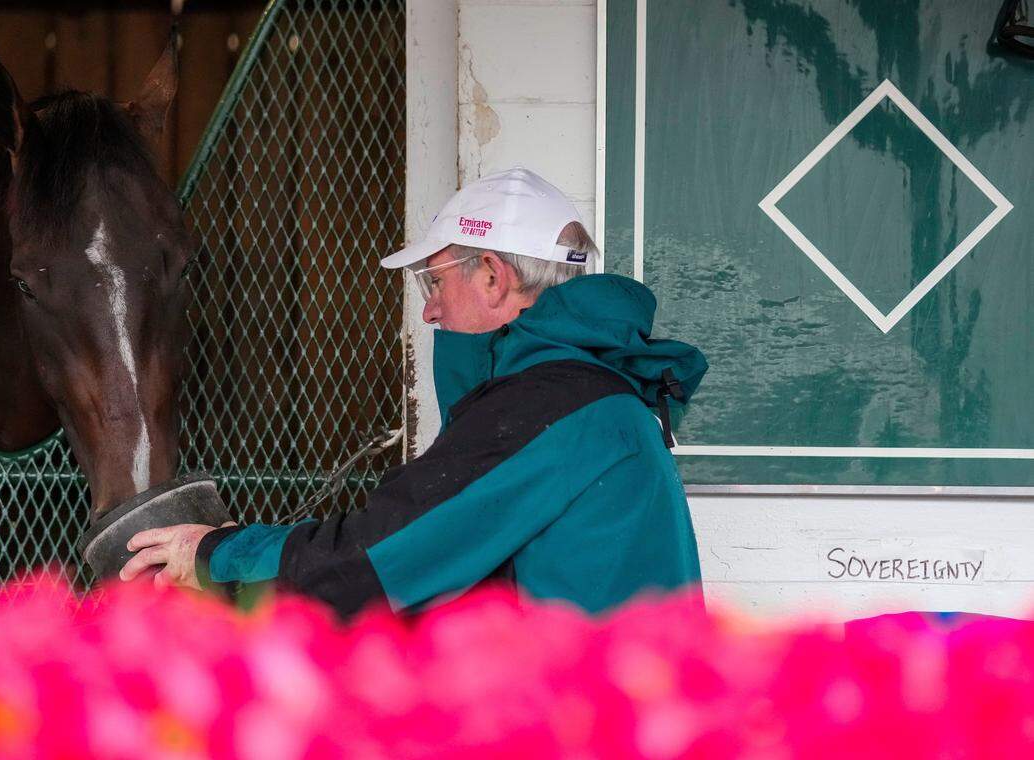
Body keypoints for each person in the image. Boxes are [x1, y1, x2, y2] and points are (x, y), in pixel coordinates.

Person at [120, 166, 708, 617]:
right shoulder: (600, 395)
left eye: (434, 279)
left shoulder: (549, 405)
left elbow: (379, 558)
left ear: (492, 276)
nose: (428, 308)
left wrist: (215, 555)